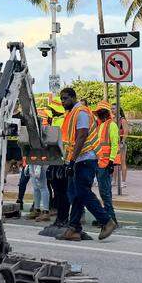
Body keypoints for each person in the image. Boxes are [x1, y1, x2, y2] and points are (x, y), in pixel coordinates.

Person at [57, 87, 117, 241]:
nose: (63, 102)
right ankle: (74, 229)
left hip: (86, 158)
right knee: (75, 194)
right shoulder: (71, 114)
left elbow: (82, 135)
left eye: (65, 98)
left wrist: (71, 161)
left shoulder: (81, 112)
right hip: (79, 159)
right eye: (61, 99)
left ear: (73, 97)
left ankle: (106, 221)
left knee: (82, 192)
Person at [93, 101, 121, 225]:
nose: (98, 114)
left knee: (105, 193)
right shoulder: (101, 126)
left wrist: (111, 161)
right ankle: (107, 218)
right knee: (104, 193)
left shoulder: (112, 125)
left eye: (100, 112)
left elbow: (115, 144)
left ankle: (111, 219)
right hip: (100, 163)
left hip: (106, 164)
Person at [46, 96, 70, 227]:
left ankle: (62, 219)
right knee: (60, 191)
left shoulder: (60, 121)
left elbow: (53, 140)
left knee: (61, 191)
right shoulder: (60, 120)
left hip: (61, 159)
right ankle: (61, 218)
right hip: (59, 158)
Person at [116, 106, 131, 183]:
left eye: (114, 108)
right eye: (111, 108)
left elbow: (126, 132)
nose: (112, 110)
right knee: (115, 162)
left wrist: (122, 142)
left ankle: (123, 181)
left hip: (121, 143)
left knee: (122, 162)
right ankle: (114, 180)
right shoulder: (112, 120)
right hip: (114, 144)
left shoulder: (122, 120)